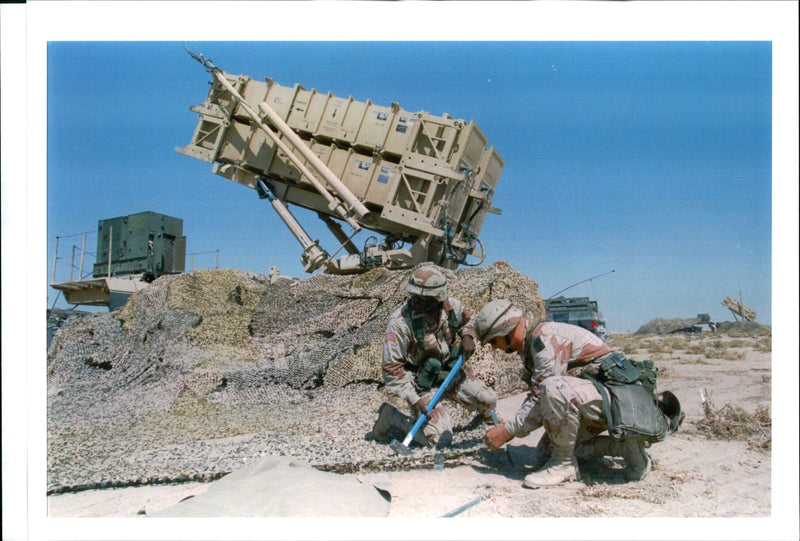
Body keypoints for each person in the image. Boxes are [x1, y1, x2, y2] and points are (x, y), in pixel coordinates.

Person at [474, 299, 680, 487]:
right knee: (545, 453)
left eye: (493, 341)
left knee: (553, 388)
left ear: (506, 330)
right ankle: (627, 450)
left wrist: (507, 431)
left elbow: (541, 397)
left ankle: (564, 465)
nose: (494, 348)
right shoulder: (532, 345)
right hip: (597, 402)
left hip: (614, 404)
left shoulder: (545, 340)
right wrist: (511, 427)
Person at [372, 265, 497, 448]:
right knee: (440, 441)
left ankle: (485, 415)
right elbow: (391, 370)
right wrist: (414, 400)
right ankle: (391, 417)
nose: (419, 301)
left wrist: (468, 336)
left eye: (426, 298)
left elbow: (468, 322)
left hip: (448, 371)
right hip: (421, 382)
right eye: (417, 296)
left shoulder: (450, 307)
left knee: (490, 400)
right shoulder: (399, 322)